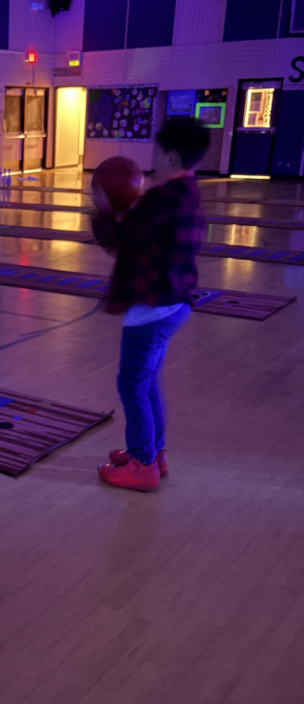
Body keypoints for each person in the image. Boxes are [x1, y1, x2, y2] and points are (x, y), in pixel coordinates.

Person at [91, 117, 210, 492]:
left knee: (132, 385)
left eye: (157, 151)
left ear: (171, 156)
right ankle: (154, 452)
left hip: (152, 307)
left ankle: (143, 465)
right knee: (148, 381)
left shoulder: (159, 199)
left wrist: (104, 208)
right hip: (176, 301)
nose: (152, 158)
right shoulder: (188, 193)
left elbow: (120, 242)